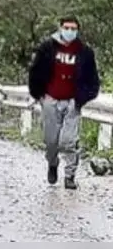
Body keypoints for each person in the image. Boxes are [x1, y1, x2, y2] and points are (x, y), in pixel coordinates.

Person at [27, 16, 101, 190]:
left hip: (72, 101)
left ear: (78, 30)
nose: (70, 31)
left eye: (73, 28)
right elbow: (35, 71)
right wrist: (38, 94)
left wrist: (82, 98)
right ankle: (52, 164)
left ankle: (70, 175)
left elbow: (93, 79)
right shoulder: (47, 48)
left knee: (68, 141)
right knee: (51, 140)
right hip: (50, 99)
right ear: (60, 28)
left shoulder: (85, 52)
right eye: (66, 27)